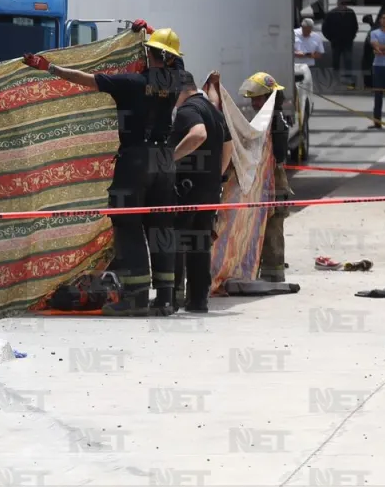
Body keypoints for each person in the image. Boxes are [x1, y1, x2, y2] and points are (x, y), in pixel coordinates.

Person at [22, 20, 182, 317]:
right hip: (165, 160)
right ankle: (166, 299)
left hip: (136, 160)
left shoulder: (130, 83)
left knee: (127, 226)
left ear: (150, 55)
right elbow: (173, 54)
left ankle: (135, 299)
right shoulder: (176, 83)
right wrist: (153, 31)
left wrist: (50, 68)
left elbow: (86, 79)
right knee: (162, 228)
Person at [170, 70, 232, 313]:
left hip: (187, 189)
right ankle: (198, 299)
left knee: (175, 241)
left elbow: (198, 134)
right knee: (199, 244)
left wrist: (170, 158)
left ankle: (173, 296)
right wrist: (218, 175)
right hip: (209, 190)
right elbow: (228, 144)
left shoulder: (188, 110)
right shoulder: (213, 111)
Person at [238, 72, 292, 282]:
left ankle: (274, 273)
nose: (254, 102)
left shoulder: (275, 121)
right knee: (264, 227)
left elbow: (276, 155)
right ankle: (265, 270)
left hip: (275, 182)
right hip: (266, 181)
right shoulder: (266, 119)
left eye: (258, 98)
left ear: (269, 98)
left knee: (273, 229)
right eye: (252, 98)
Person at [321, 0, 360, 89]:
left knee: (348, 61)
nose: (343, 6)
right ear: (338, 4)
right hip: (336, 43)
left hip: (347, 42)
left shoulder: (351, 13)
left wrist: (352, 36)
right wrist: (331, 38)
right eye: (341, 4)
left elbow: (355, 26)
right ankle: (335, 81)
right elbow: (325, 28)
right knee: (336, 63)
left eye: (345, 4)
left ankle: (349, 81)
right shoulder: (331, 14)